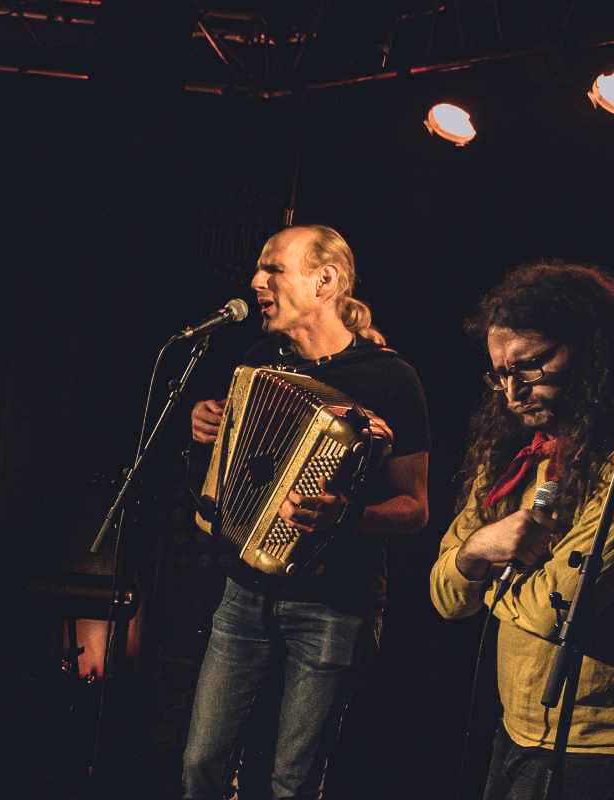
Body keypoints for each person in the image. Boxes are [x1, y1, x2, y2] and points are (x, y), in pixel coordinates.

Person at [428, 261, 614, 800]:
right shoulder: (512, 453)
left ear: (593, 349)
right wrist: (479, 548)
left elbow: (556, 608)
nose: (512, 392)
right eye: (500, 374)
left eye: (531, 366)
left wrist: (482, 575)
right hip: (521, 732)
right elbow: (445, 595)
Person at [178, 224, 431, 800]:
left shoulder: (392, 378)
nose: (255, 281)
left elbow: (415, 509)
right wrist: (203, 430)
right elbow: (237, 473)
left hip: (334, 602)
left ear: (325, 280)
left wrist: (347, 516)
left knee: (292, 782)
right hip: (245, 591)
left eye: (272, 268)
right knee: (201, 765)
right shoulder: (259, 359)